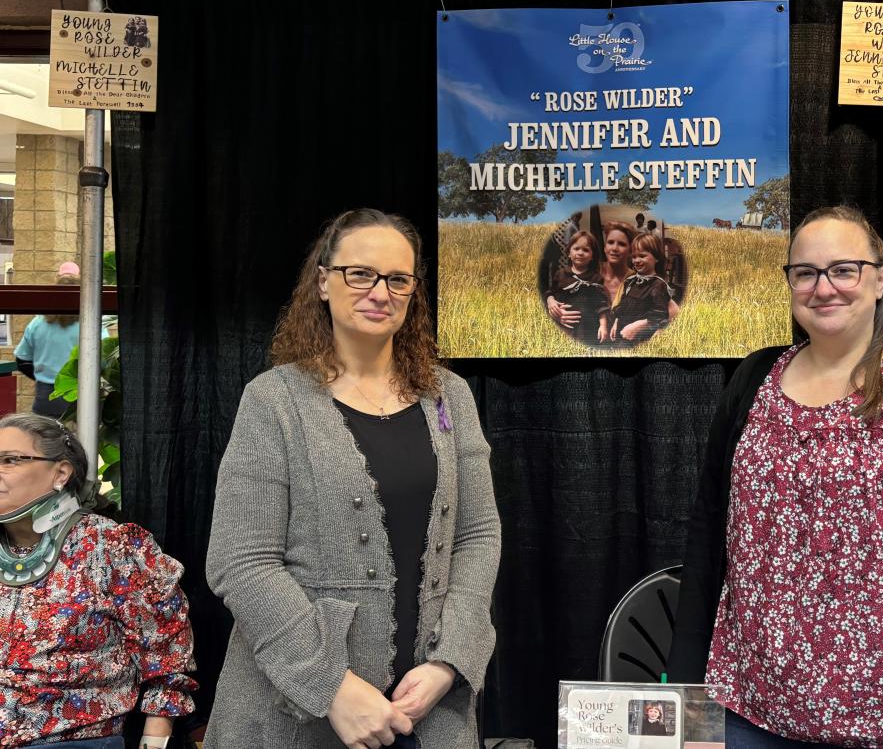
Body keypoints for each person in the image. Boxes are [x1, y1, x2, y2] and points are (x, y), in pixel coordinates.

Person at [668, 205, 883, 748]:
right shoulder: (753, 381)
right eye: (805, 272)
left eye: (843, 269)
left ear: (880, 277)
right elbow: (708, 538)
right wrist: (687, 702)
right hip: (743, 709)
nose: (822, 287)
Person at [206, 208, 501, 749]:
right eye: (359, 274)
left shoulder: (449, 397)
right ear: (323, 282)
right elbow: (241, 560)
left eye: (398, 279)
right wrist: (332, 686)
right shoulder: (273, 401)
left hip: (429, 711)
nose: (379, 292)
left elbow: (478, 536)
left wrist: (449, 661)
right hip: (295, 715)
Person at [0, 413, 196, 747]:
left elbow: (166, 653)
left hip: (72, 741)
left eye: (10, 460)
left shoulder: (112, 547)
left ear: (61, 473)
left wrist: (155, 740)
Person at [13, 262, 107, 418]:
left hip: (47, 396)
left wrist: (41, 375)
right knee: (85, 441)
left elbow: (22, 361)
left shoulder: (37, 323)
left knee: (47, 441)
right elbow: (105, 359)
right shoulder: (91, 323)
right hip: (84, 395)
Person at [544, 230, 610, 344]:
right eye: (576, 248)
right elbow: (551, 292)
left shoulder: (596, 279)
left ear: (592, 256)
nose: (580, 253)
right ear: (569, 253)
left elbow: (601, 306)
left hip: (588, 329)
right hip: (563, 326)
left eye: (586, 250)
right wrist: (551, 301)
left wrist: (603, 326)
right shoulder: (560, 274)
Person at [609, 232, 673, 343]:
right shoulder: (630, 282)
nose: (636, 260)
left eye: (642, 256)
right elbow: (622, 305)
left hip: (639, 339)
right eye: (634, 257)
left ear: (656, 258)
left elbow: (660, 316)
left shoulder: (658, 285)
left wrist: (637, 326)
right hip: (621, 336)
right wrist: (616, 321)